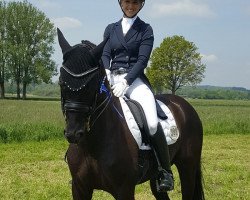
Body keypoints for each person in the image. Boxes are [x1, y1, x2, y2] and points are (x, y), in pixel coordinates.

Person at [101, 0, 174, 192]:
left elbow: (142, 61)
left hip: (134, 81)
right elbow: (105, 53)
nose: (130, 6)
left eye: (134, 2)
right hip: (111, 78)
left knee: (151, 123)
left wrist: (126, 82)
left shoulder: (145, 29)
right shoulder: (111, 28)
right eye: (126, 2)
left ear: (141, 5)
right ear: (120, 3)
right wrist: (107, 73)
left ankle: (164, 171)